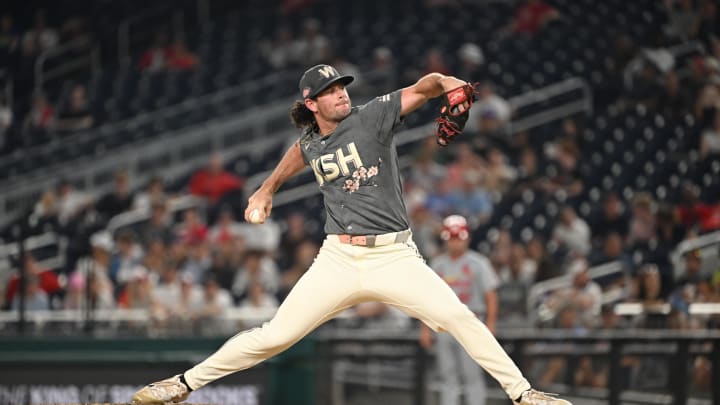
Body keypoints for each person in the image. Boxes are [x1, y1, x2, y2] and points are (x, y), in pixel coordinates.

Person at [132, 63, 572, 405]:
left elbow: (427, 86)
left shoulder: (373, 116)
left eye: (341, 86)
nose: (341, 93)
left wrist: (452, 83)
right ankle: (182, 385)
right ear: (312, 105)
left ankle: (523, 393)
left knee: (458, 317)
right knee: (274, 337)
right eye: (329, 91)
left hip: (393, 256)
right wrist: (265, 190)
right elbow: (298, 154)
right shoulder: (312, 142)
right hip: (338, 259)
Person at [419, 215, 499, 405]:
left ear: (466, 238)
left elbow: (491, 295)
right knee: (447, 376)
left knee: (472, 375)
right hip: (444, 325)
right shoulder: (438, 264)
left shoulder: (478, 263)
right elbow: (427, 299)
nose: (455, 242)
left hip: (471, 321)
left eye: (458, 238)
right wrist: (424, 329)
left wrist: (491, 324)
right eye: (452, 238)